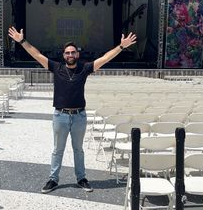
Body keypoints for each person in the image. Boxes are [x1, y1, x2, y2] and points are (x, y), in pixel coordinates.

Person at [8, 27, 137, 193]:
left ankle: (81, 178)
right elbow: (36, 54)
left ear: (77, 54)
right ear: (63, 55)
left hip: (79, 117)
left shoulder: (84, 69)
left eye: (73, 52)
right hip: (60, 115)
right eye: (67, 53)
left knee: (78, 150)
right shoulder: (57, 68)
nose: (70, 55)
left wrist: (121, 47)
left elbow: (104, 59)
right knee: (57, 150)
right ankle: (53, 180)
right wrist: (22, 41)